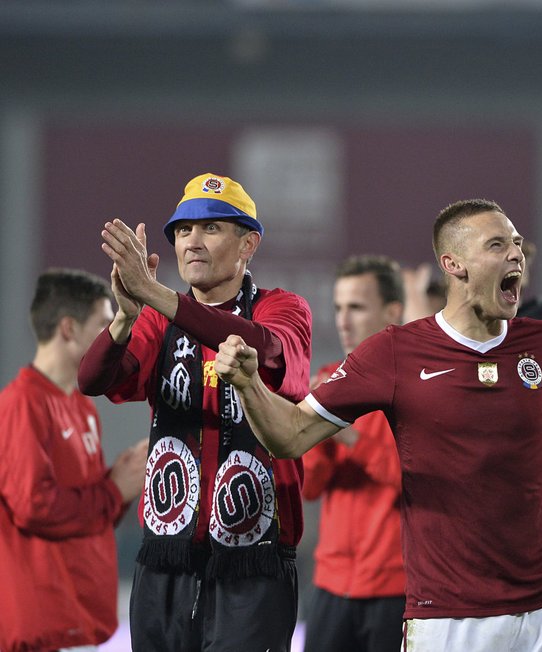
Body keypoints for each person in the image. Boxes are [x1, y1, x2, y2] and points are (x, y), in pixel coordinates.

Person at [213, 198, 542, 652]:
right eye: (497, 245)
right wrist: (249, 385)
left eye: (517, 244)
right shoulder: (396, 352)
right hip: (448, 614)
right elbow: (290, 436)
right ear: (453, 265)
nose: (516, 255)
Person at [77, 173, 313, 651]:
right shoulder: (154, 321)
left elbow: (267, 348)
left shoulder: (282, 308)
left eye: (211, 228)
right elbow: (93, 380)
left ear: (249, 244)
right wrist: (125, 316)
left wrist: (155, 295)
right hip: (166, 561)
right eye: (183, 231)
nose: (193, 242)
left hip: (254, 563)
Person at [0, 268, 147, 652]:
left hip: (79, 620)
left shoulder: (81, 407)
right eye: (103, 324)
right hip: (46, 624)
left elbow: (87, 515)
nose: (113, 337)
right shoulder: (23, 404)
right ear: (68, 329)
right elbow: (34, 506)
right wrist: (114, 489)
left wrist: (119, 483)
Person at [302, 255, 406, 652]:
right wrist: (318, 439)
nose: (343, 320)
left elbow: (418, 478)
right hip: (331, 583)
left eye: (357, 307)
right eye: (339, 308)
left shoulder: (415, 387)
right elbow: (309, 487)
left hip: (395, 587)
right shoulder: (328, 380)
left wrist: (350, 439)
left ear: (392, 312)